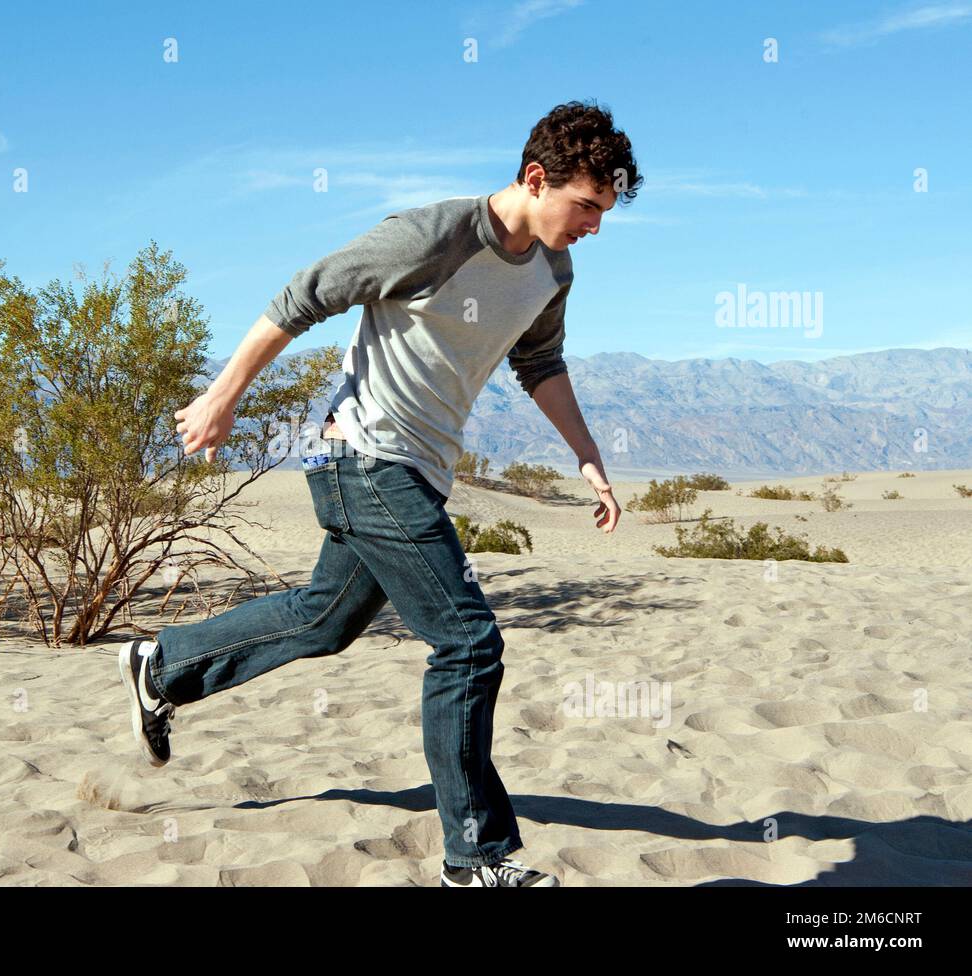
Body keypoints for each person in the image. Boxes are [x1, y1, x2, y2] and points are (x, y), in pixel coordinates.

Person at [118, 99, 641, 887]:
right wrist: (223, 395)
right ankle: (476, 859)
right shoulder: (434, 237)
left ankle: (164, 668)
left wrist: (588, 458)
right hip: (362, 457)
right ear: (537, 179)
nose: (595, 224)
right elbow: (304, 294)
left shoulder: (552, 270)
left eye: (604, 209)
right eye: (587, 205)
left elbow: (540, 364)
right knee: (469, 643)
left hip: (417, 471)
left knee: (323, 620)